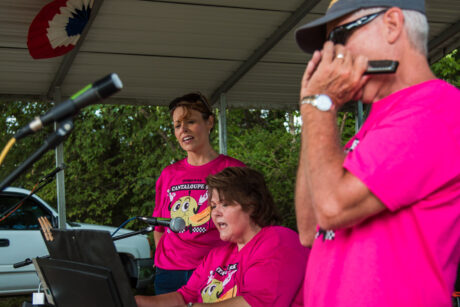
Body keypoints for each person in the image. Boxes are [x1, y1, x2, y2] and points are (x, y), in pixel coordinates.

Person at [294, 0, 460, 306]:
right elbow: (308, 226)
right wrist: (312, 109)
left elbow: (331, 208)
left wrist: (320, 104)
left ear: (392, 24)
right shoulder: (375, 124)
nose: (332, 57)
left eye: (339, 39)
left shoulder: (435, 108)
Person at [136, 167, 309, 306]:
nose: (215, 213)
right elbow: (183, 297)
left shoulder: (278, 240)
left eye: (224, 204)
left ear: (252, 206)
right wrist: (136, 302)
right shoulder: (217, 255)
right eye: (212, 205)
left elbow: (256, 303)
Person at [152, 92, 245, 295]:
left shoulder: (233, 169)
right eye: (177, 125)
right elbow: (159, 226)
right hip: (169, 272)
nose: (183, 129)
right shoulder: (169, 174)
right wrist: (161, 260)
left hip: (216, 271)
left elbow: (250, 225)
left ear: (209, 122)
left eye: (190, 122)